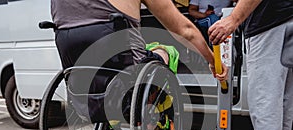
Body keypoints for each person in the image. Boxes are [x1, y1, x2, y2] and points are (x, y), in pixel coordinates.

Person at [208, 0, 293, 130]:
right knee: (283, 102)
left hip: (269, 24)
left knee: (265, 103)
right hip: (287, 16)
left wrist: (233, 19)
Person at [51, 0, 228, 79]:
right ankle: (150, 120)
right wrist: (212, 60)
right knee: (166, 51)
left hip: (77, 59)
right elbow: (185, 31)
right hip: (127, 67)